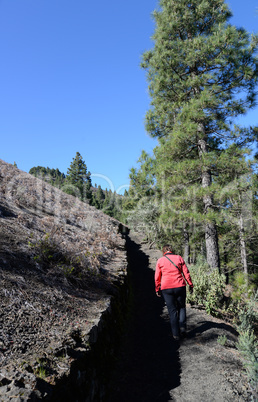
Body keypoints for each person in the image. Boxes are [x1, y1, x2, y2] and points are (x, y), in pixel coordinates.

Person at [155, 244, 193, 341]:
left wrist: (157, 289)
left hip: (166, 288)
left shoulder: (160, 260)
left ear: (164, 251)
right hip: (180, 286)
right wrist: (190, 284)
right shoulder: (179, 258)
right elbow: (186, 272)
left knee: (172, 311)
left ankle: (176, 334)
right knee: (182, 307)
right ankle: (183, 328)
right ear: (172, 250)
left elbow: (157, 277)